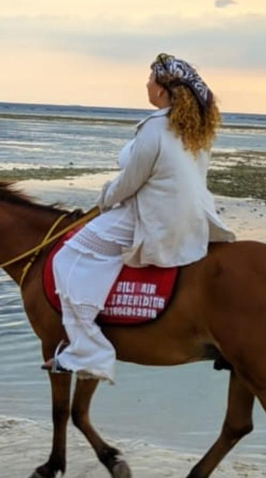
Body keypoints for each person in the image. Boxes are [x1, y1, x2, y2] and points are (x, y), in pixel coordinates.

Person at [45, 53, 235, 383]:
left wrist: (103, 199)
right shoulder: (193, 130)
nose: (146, 84)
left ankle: (89, 353)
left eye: (150, 79)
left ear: (162, 90)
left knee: (67, 257)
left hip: (151, 215)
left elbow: (132, 181)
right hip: (190, 217)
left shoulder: (155, 127)